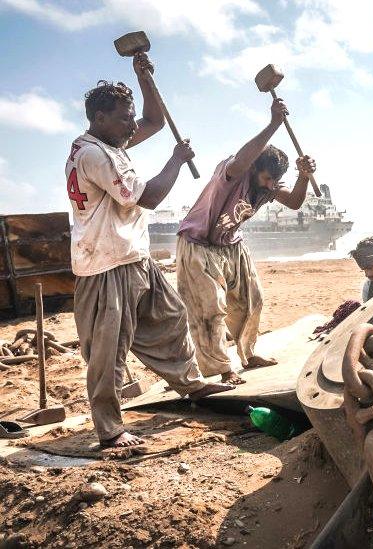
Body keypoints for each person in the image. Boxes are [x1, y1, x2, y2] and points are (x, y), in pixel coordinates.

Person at [66, 53, 232, 449]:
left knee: (171, 318)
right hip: (104, 263)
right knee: (109, 351)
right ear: (100, 118)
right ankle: (109, 428)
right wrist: (175, 161)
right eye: (124, 118)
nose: (131, 125)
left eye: (130, 116)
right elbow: (151, 196)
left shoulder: (110, 141)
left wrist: (144, 78)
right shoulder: (96, 154)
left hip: (133, 255)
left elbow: (155, 122)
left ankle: (189, 385)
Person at [176, 97, 317, 385]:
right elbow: (243, 158)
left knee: (252, 300)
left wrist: (303, 177)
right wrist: (274, 124)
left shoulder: (270, 185)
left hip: (231, 245)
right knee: (209, 310)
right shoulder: (233, 172)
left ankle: (248, 354)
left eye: (273, 182)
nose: (269, 185)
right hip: (198, 245)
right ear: (254, 168)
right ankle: (222, 369)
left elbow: (294, 202)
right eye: (266, 178)